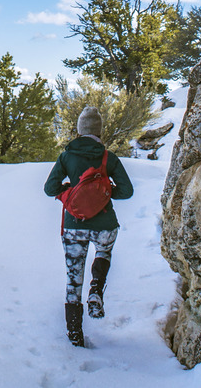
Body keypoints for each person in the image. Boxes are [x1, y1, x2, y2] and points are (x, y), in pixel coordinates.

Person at [43, 106, 133, 347]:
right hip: (105, 224)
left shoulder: (67, 156)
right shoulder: (108, 157)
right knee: (103, 251)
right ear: (99, 132)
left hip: (74, 224)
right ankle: (96, 289)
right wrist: (103, 193)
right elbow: (127, 191)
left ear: (80, 130)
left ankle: (75, 335)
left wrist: (70, 192)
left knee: (73, 279)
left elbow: (49, 188)